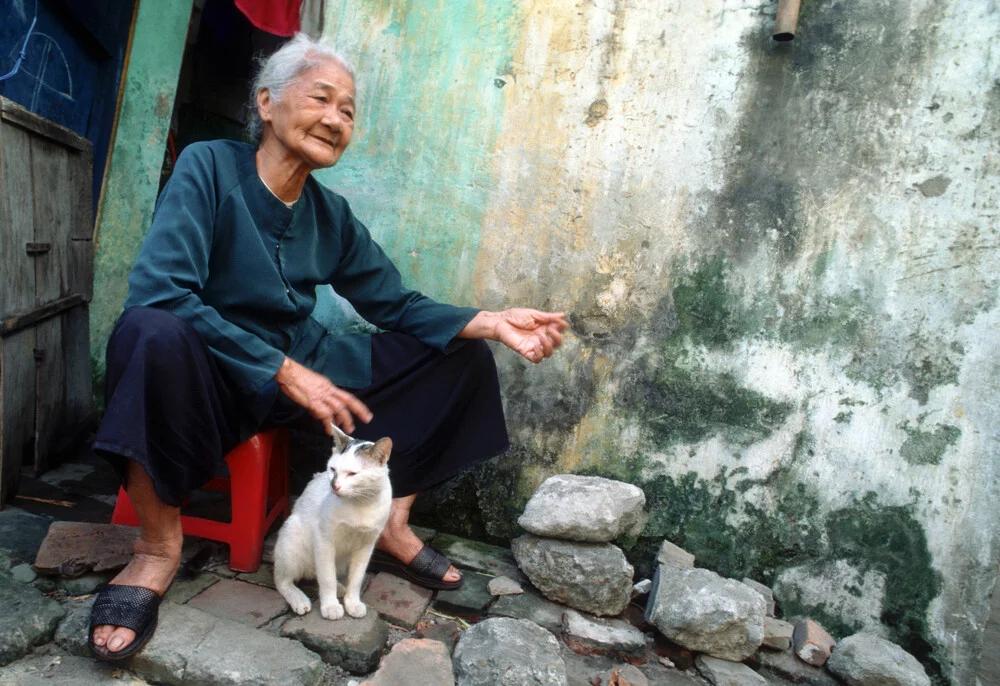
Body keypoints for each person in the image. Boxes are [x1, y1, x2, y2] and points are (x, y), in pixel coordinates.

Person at [87, 33, 566, 661]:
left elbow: (394, 304)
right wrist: (281, 370)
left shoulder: (330, 214)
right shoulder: (208, 167)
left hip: (305, 365)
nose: (336, 119)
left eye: (348, 110)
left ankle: (391, 521)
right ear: (266, 102)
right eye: (322, 98)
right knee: (148, 329)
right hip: (208, 370)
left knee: (460, 355)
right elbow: (161, 290)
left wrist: (491, 320)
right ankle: (155, 551)